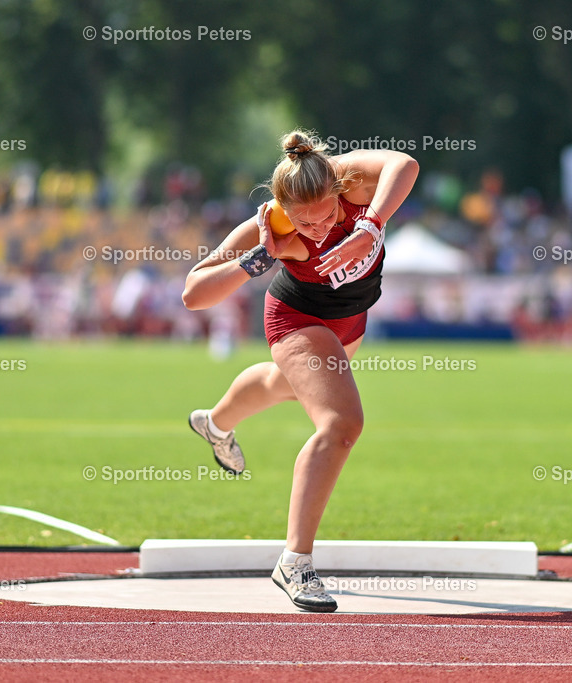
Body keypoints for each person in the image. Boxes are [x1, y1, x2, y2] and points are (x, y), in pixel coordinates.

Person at [182, 130, 418, 612]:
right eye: (304, 221)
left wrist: (370, 226)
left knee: (279, 385)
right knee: (341, 424)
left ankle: (215, 422)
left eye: (327, 216)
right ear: (282, 206)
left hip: (348, 324)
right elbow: (193, 294)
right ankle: (296, 560)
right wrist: (261, 259)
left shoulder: (348, 180)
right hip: (297, 318)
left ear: (337, 194)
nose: (316, 229)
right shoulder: (271, 221)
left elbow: (406, 164)